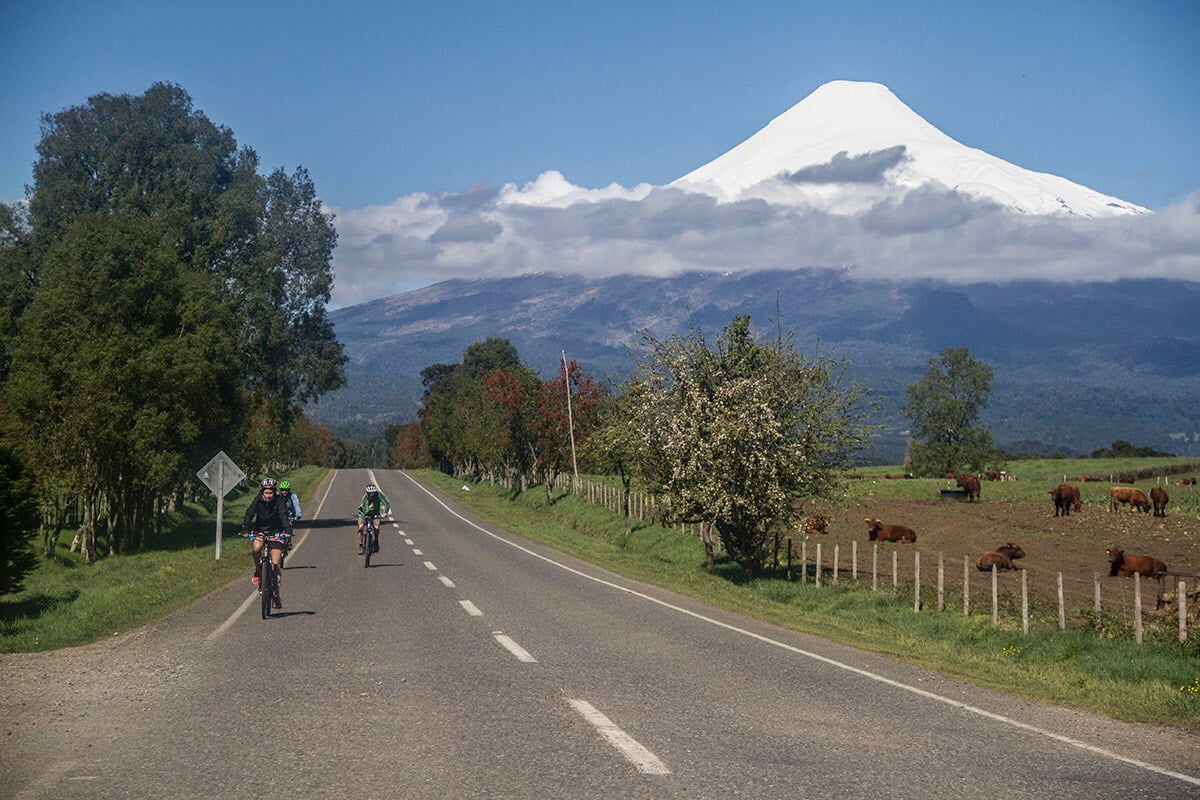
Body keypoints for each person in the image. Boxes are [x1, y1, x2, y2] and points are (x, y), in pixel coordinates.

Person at [241, 477, 293, 609]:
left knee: (275, 563)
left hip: (276, 532)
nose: (268, 496)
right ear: (262, 492)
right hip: (261, 530)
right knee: (257, 548)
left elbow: (283, 515)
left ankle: (276, 595)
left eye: (271, 493)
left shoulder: (279, 500)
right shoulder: (257, 500)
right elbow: (249, 513)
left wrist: (287, 530)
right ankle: (258, 570)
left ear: (274, 492)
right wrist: (245, 530)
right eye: (266, 493)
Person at [356, 482, 391, 555]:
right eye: (370, 493)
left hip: (375, 514)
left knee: (376, 527)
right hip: (364, 513)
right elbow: (364, 509)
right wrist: (368, 510)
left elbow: (386, 503)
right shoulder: (365, 498)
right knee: (361, 527)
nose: (371, 495)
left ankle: (376, 540)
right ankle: (360, 545)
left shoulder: (379, 495)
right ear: (367, 493)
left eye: (373, 493)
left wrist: (385, 512)